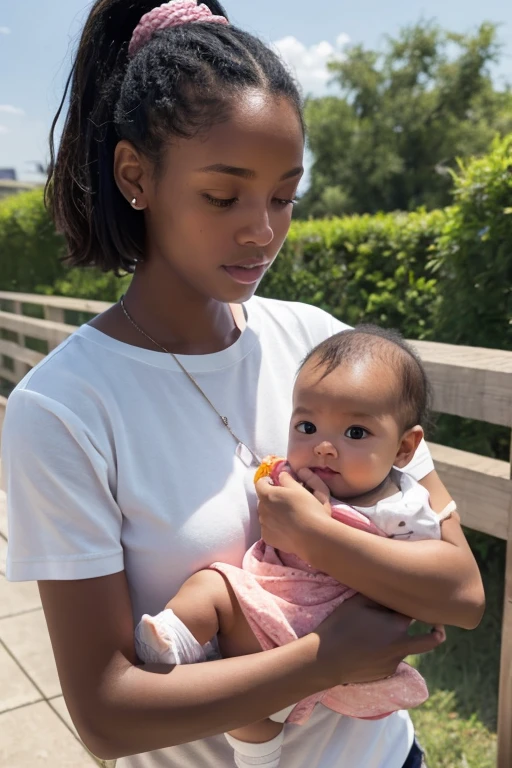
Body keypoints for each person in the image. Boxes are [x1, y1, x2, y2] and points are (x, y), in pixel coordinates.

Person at [2, 2, 484, 767]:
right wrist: (324, 660)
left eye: (285, 195)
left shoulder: (324, 346)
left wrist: (318, 538)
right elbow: (106, 715)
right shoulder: (64, 409)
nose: (262, 229)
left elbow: (459, 590)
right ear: (136, 175)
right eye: (224, 196)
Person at [133, 325, 458, 768]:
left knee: (261, 704)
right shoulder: (295, 477)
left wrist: (318, 532)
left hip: (337, 624)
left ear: (404, 448)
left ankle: (258, 759)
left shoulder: (402, 506)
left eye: (356, 434)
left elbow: (432, 576)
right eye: (307, 426)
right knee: (214, 585)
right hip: (267, 604)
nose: (324, 447)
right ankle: (173, 639)